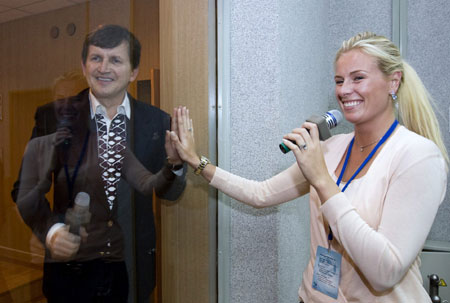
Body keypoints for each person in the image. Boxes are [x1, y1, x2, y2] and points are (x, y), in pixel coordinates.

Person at [170, 32, 448, 302]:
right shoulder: (331, 147)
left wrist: (322, 180)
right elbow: (260, 194)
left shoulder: (418, 156)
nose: (344, 90)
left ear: (393, 82)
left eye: (358, 78)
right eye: (339, 80)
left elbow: (385, 272)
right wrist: (197, 161)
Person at [14, 24, 186, 302]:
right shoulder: (53, 118)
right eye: (96, 58)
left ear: (133, 72)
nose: (104, 68)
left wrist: (175, 165)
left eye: (115, 60)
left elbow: (170, 193)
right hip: (70, 275)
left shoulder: (157, 122)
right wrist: (52, 231)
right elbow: (25, 189)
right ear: (84, 66)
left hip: (133, 270)